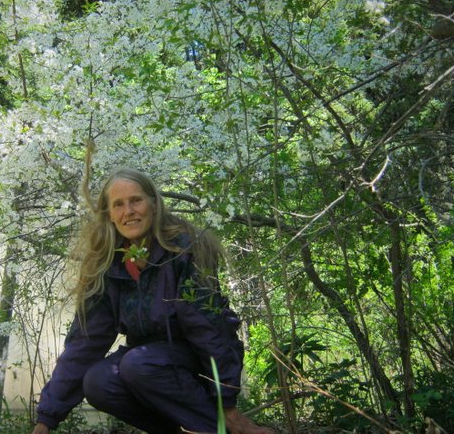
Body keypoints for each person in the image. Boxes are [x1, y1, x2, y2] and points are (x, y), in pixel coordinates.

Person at [32, 168, 274, 434]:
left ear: (154, 204)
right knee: (99, 381)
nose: (129, 211)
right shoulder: (107, 264)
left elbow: (208, 327)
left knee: (138, 364)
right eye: (119, 205)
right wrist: (47, 419)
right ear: (110, 216)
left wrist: (226, 399)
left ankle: (218, 428)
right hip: (149, 364)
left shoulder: (184, 247)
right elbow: (85, 341)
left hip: (194, 360)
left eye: (136, 200)